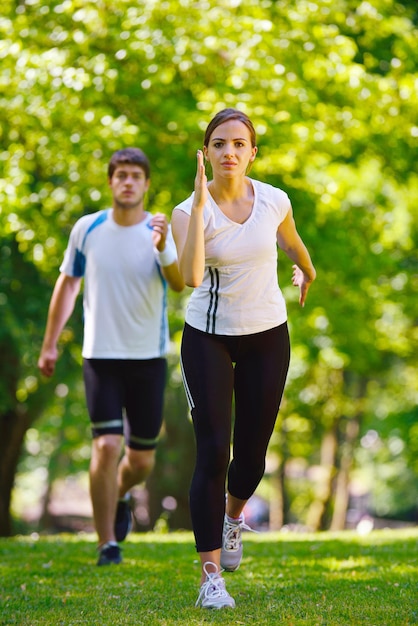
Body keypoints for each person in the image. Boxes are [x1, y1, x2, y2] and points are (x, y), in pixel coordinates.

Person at [171, 109, 316, 609]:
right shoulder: (189, 210)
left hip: (267, 335)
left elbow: (294, 246)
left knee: (251, 456)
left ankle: (234, 518)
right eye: (218, 144)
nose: (229, 151)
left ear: (253, 151)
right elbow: (191, 276)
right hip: (208, 337)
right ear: (206, 152)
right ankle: (212, 579)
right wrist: (198, 197)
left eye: (239, 144)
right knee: (213, 452)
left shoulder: (274, 199)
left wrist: (305, 272)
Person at [38, 147, 184, 565]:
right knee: (105, 445)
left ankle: (120, 492)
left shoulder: (159, 229)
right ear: (111, 181)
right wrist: (50, 344)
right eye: (121, 174)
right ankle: (107, 544)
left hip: (147, 359)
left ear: (146, 184)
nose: (128, 181)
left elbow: (178, 284)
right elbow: (67, 286)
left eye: (136, 175)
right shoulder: (88, 229)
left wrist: (162, 247)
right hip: (99, 356)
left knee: (140, 460)